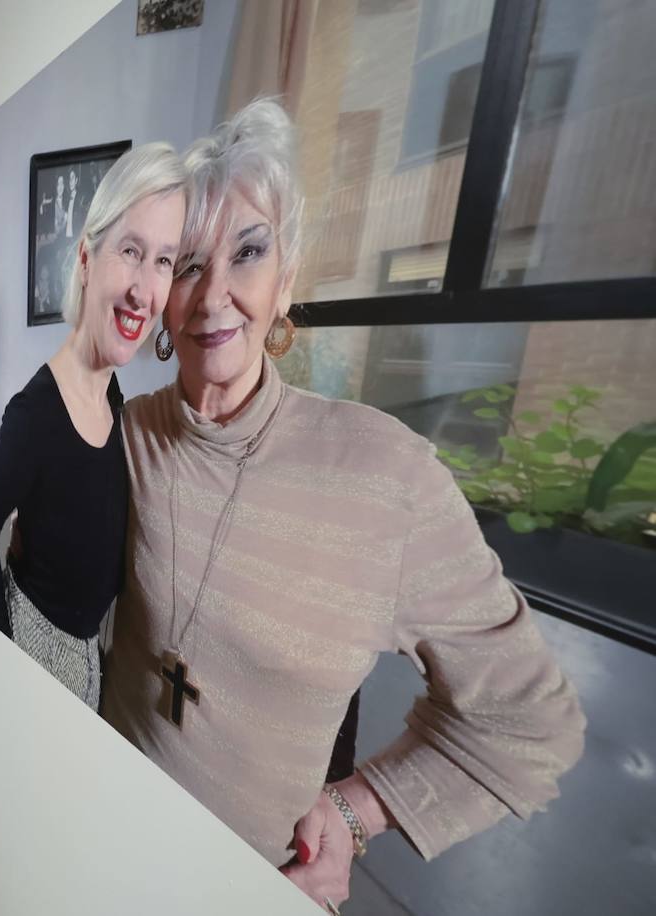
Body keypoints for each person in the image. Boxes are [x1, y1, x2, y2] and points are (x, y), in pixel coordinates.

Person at [101, 100, 585, 912]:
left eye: (248, 252)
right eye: (187, 263)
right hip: (108, 852)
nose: (216, 294)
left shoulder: (386, 477)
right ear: (161, 297)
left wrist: (355, 813)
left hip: (255, 890)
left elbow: (531, 724)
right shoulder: (126, 438)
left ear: (286, 278)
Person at [0, 143, 189, 710]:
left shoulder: (116, 396)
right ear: (87, 259)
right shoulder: (34, 412)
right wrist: (4, 646)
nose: (145, 289)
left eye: (164, 261)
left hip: (90, 651)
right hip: (39, 648)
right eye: (130, 250)